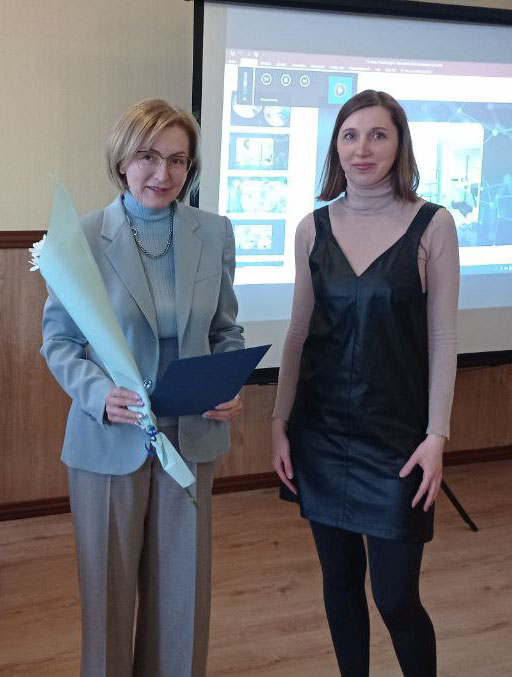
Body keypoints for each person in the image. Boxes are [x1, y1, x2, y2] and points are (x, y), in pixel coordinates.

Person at [41, 98, 244, 677]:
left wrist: (229, 378)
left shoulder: (214, 232)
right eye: (149, 157)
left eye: (179, 160)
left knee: (181, 593)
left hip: (191, 436)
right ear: (122, 160)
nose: (163, 173)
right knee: (106, 594)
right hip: (110, 438)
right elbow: (59, 342)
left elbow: (226, 329)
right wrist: (98, 396)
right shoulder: (79, 236)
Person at [271, 90, 459, 676]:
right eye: (350, 135)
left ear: (400, 143)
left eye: (378, 134)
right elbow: (298, 335)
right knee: (340, 584)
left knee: (396, 598)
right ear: (335, 147)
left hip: (399, 443)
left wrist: (437, 436)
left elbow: (443, 339)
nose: (362, 148)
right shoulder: (312, 228)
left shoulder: (434, 224)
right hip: (320, 436)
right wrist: (278, 423)